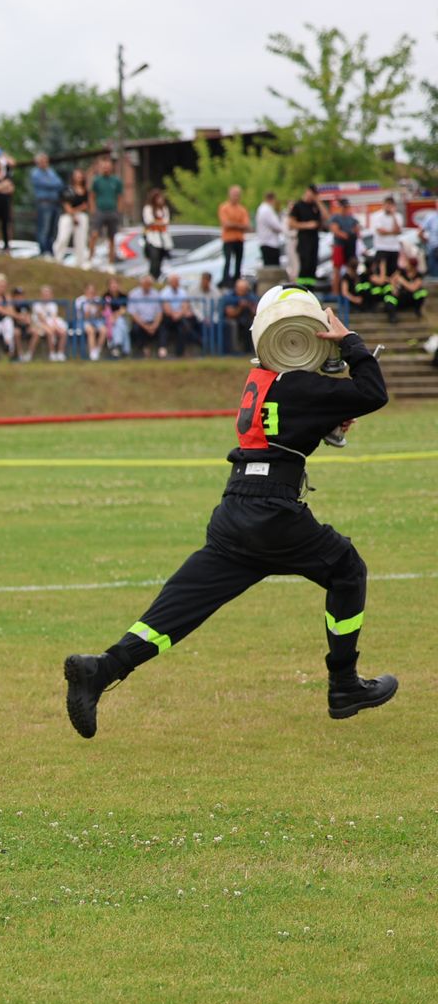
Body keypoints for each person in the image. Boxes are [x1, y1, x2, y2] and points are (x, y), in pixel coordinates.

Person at [65, 302, 394, 737]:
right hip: (273, 510)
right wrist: (351, 343)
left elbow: (294, 426)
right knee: (347, 569)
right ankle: (344, 684)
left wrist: (330, 422)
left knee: (181, 606)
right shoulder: (300, 386)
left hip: (235, 507)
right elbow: (373, 392)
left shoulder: (259, 379)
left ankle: (103, 669)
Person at [288, 186, 323, 289]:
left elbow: (327, 218)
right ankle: (301, 288)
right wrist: (308, 225)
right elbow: (291, 224)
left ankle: (310, 290)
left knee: (312, 267)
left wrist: (319, 202)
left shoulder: (315, 206)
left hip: (314, 240)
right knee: (304, 266)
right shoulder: (298, 206)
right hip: (303, 240)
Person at [28, 152, 62, 255]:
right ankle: (43, 251)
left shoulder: (51, 172)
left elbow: (59, 183)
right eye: (42, 161)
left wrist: (50, 182)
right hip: (44, 203)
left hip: (55, 203)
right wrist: (51, 183)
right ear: (37, 162)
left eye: (46, 161)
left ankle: (50, 251)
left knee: (52, 229)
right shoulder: (35, 173)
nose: (44, 163)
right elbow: (46, 183)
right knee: (44, 228)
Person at [24, 285, 69, 362]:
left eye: (48, 294)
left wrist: (56, 327)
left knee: (63, 332)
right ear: (41, 295)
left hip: (49, 325)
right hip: (38, 324)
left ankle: (60, 353)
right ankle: (31, 354)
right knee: (47, 332)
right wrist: (51, 328)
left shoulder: (53, 305)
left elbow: (54, 317)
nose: (46, 296)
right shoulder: (37, 305)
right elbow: (41, 319)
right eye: (44, 294)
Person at [218, 185, 249, 287]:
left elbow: (246, 225)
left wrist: (233, 224)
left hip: (239, 239)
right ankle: (226, 281)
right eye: (234, 195)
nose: (236, 197)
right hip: (228, 239)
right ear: (229, 195)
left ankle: (237, 282)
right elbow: (226, 224)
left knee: (238, 263)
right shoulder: (224, 208)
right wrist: (238, 225)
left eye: (238, 195)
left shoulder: (242, 209)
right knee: (227, 261)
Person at [141, 189, 171, 279]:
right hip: (152, 237)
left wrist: (157, 222)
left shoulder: (164, 209)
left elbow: (166, 221)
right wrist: (159, 223)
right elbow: (149, 221)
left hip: (163, 237)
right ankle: (152, 277)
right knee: (154, 258)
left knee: (161, 259)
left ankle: (157, 277)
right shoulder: (148, 208)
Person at [254, 191, 284, 271]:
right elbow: (277, 226)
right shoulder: (267, 210)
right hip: (270, 243)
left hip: (265, 242)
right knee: (272, 269)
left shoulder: (261, 209)